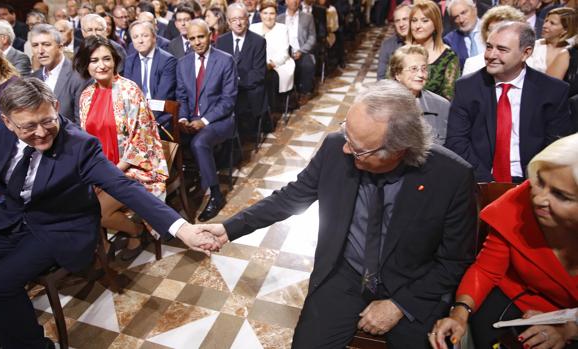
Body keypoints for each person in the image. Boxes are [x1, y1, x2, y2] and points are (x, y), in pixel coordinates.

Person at [200, 79, 478, 348]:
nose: (346, 148)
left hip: (412, 285)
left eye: (357, 149)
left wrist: (399, 305)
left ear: (397, 151)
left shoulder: (452, 177)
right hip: (345, 275)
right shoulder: (336, 148)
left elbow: (454, 260)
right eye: (346, 133)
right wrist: (228, 229)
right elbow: (291, 197)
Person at [0, 77, 218, 349]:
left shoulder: (80, 145)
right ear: (7, 123)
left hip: (56, 227)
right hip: (8, 217)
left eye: (48, 120)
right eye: (28, 126)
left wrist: (182, 228)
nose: (41, 132)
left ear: (56, 106)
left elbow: (123, 186)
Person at [429, 133, 578, 349]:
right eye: (540, 182)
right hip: (515, 303)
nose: (538, 199)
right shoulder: (518, 202)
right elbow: (486, 270)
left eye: (560, 195)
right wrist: (460, 312)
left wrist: (569, 330)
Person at [74, 35, 168, 261]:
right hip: (101, 166)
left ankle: (136, 232)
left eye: (106, 59)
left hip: (135, 166)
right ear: (87, 64)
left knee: (97, 211)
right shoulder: (85, 96)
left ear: (115, 61)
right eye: (94, 60)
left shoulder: (129, 90)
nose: (101, 65)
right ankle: (103, 245)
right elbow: (85, 139)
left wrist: (113, 171)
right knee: (76, 200)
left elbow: (142, 139)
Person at [445, 21, 574, 183]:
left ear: (525, 53)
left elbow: (556, 146)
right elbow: (457, 142)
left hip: (532, 181)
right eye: (489, 47)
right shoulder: (467, 87)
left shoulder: (552, 91)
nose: (491, 55)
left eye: (502, 49)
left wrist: (533, 182)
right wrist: (487, 183)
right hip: (481, 180)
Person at [176, 19, 237, 222]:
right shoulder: (183, 63)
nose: (197, 42)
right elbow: (181, 96)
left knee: (199, 142)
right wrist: (183, 118)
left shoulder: (225, 60)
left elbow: (228, 101)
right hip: (191, 120)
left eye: (200, 36)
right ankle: (176, 192)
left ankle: (215, 195)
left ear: (210, 35)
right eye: (192, 38)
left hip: (219, 121)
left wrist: (204, 121)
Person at [216, 3, 267, 137]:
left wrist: (234, 83)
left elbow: (258, 73)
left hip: (247, 89)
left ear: (247, 19)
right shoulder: (221, 41)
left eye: (241, 19)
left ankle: (237, 137)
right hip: (226, 90)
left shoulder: (258, 41)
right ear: (228, 22)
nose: (238, 23)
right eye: (234, 20)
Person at [389, 45, 450, 145]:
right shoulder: (382, 105)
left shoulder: (442, 105)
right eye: (413, 69)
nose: (421, 75)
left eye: (424, 69)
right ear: (398, 74)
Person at [30, 24, 89, 124]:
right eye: (35, 45)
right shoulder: (33, 78)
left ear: (60, 47)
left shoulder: (80, 77)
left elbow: (82, 124)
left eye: (46, 44)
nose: (40, 51)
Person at [123, 20, 177, 127]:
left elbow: (162, 96)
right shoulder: (130, 61)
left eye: (145, 36)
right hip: (135, 115)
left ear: (154, 38)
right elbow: (128, 94)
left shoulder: (167, 61)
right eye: (135, 37)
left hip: (161, 114)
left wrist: (144, 120)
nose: (140, 41)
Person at [407, 0, 460, 100]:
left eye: (424, 21)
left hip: (435, 113)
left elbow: (449, 99)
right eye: (414, 20)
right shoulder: (401, 54)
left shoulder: (449, 57)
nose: (418, 26)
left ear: (435, 24)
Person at [250, 0, 295, 110]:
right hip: (258, 65)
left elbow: (284, 54)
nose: (268, 17)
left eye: (272, 13)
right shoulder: (253, 28)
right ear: (260, 14)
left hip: (279, 65)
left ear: (276, 15)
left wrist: (269, 65)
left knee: (269, 77)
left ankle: (269, 111)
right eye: (265, 13)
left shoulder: (282, 28)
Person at [462, 5, 526, 75]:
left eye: (500, 29)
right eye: (490, 30)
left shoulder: (531, 61)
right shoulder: (473, 65)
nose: (494, 35)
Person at [278, 0, 316, 105]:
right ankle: (285, 96)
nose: (294, 2)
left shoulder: (308, 17)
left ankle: (304, 92)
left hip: (302, 50)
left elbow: (312, 37)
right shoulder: (279, 19)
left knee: (307, 65)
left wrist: (301, 50)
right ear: (285, 1)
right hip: (284, 53)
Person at [528, 7, 576, 72]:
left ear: (565, 30)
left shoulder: (572, 53)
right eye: (546, 21)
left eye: (552, 23)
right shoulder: (534, 46)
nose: (544, 25)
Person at [443, 0, 485, 70]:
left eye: (463, 13)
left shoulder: (492, 29)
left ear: (474, 8)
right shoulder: (450, 41)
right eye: (456, 17)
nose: (461, 20)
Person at [377, 3, 410, 80]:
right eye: (397, 21)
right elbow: (381, 77)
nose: (401, 24)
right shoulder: (387, 45)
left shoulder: (422, 42)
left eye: (405, 19)